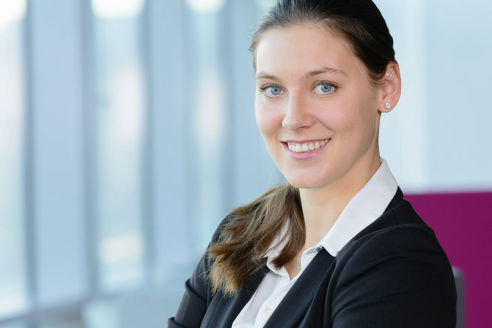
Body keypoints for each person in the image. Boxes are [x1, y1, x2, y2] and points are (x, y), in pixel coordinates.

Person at [168, 0, 457, 327]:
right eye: (272, 89)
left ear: (386, 87)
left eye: (324, 87)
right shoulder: (238, 235)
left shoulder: (403, 265)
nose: (293, 119)